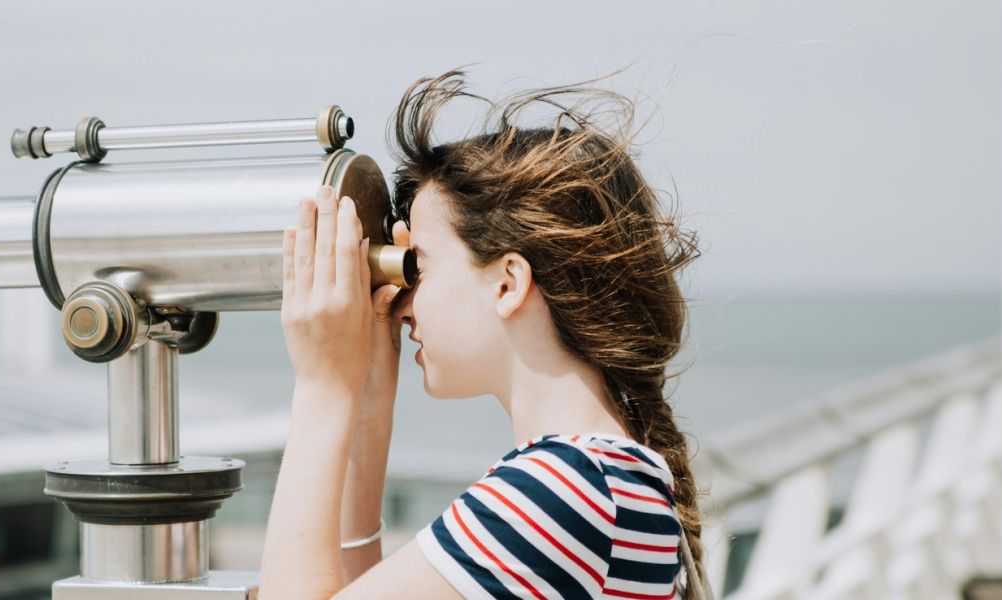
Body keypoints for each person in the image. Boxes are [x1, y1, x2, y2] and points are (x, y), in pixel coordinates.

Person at [260, 70, 710, 600]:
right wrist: (368, 404)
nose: (402, 303)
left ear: (508, 283)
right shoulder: (605, 478)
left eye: (419, 265)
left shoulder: (564, 491)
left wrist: (322, 385)